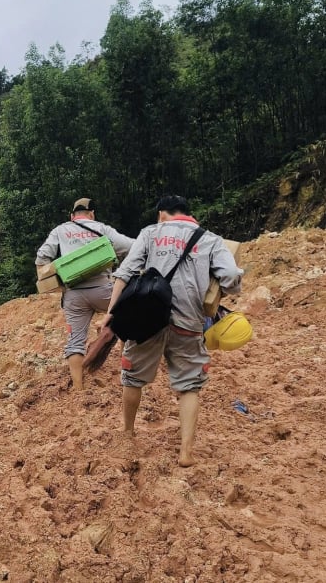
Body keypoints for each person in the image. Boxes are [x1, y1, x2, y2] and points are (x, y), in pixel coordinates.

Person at [100, 195, 243, 467]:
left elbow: (125, 272)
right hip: (189, 322)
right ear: (188, 214)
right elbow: (231, 278)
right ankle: (186, 452)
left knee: (132, 378)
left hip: (147, 319)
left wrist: (110, 313)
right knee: (189, 386)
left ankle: (128, 433)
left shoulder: (151, 233)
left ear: (162, 214)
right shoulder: (211, 239)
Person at [36, 198, 135, 392]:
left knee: (75, 341)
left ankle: (79, 391)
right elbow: (132, 247)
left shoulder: (60, 230)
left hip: (74, 294)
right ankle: (128, 379)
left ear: (72, 216)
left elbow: (42, 258)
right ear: (92, 213)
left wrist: (54, 279)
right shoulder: (102, 229)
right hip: (104, 291)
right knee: (127, 324)